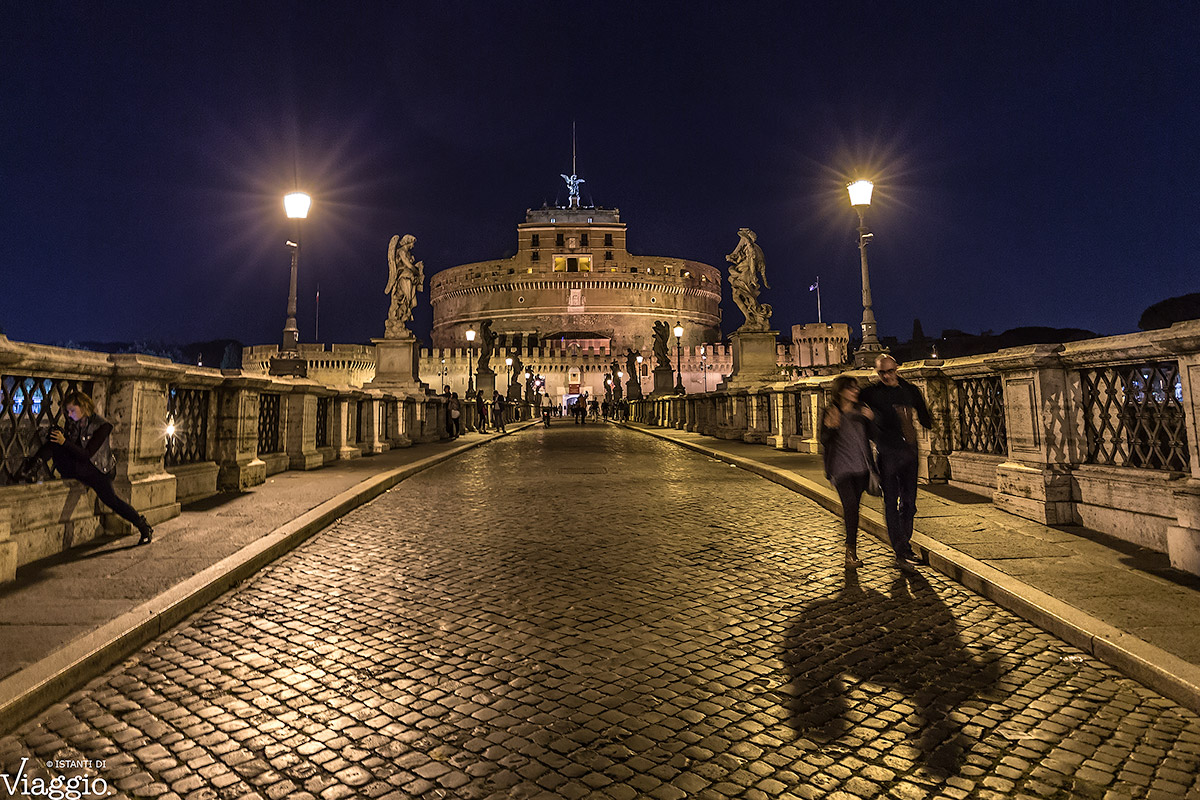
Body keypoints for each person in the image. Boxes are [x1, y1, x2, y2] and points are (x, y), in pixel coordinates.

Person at [18, 390, 154, 545]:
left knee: (112, 501)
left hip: (98, 471)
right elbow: (72, 447)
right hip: (79, 466)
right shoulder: (73, 423)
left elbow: (87, 454)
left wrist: (65, 442)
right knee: (54, 440)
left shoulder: (102, 426)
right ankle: (32, 469)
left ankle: (143, 526)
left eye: (72, 410)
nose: (69, 415)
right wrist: (61, 437)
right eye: (67, 411)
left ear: (83, 408)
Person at [860, 354, 932, 572]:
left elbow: (926, 417)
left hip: (910, 451)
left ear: (897, 369)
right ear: (877, 372)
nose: (886, 376)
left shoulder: (909, 390)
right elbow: (848, 402)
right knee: (891, 501)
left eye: (890, 371)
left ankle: (904, 544)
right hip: (887, 451)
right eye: (881, 372)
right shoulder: (871, 393)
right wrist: (869, 417)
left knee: (909, 502)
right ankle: (901, 550)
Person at [820, 376, 877, 568]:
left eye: (856, 388)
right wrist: (831, 427)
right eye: (850, 388)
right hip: (840, 469)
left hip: (861, 468)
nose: (855, 391)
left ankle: (851, 549)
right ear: (840, 391)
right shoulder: (830, 411)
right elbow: (824, 440)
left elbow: (872, 437)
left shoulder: (861, 411)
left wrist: (871, 420)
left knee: (854, 508)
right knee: (850, 507)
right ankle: (850, 552)